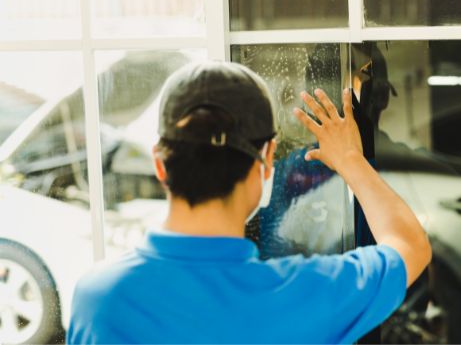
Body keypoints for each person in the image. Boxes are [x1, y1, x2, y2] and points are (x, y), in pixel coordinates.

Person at [67, 61, 432, 344]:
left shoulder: (98, 300)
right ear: (267, 160)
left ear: (160, 164)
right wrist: (351, 158)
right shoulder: (301, 296)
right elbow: (409, 245)